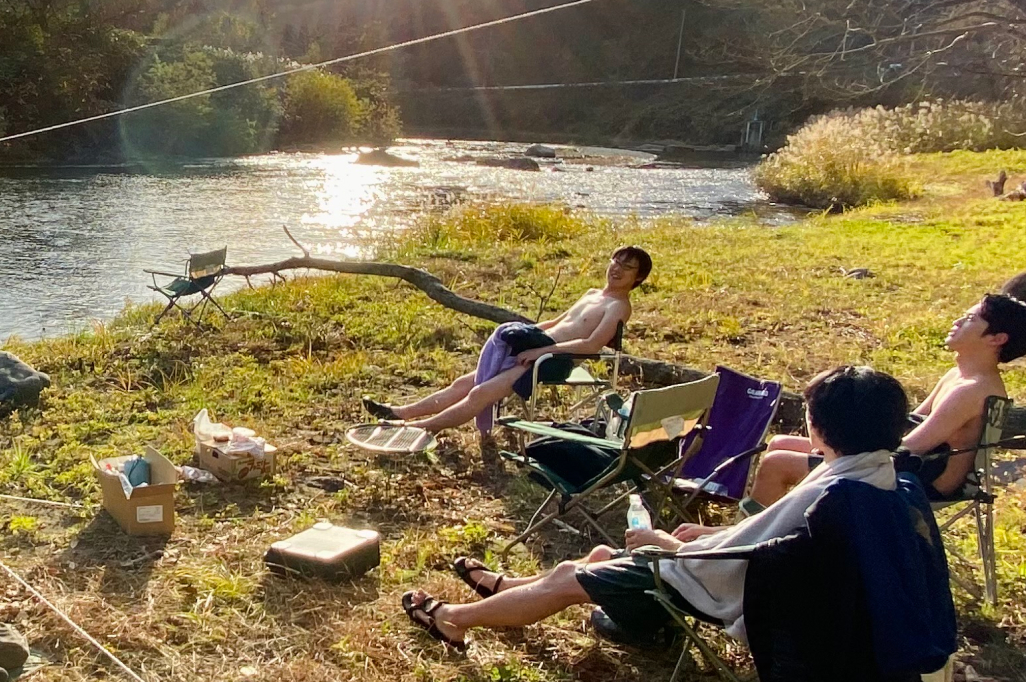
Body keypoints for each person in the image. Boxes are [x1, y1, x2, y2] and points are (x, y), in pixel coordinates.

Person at [399, 365, 910, 652]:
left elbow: (745, 558)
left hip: (741, 594)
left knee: (574, 578)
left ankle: (455, 618)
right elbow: (766, 542)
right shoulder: (876, 474)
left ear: (821, 426)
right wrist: (701, 540)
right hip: (799, 598)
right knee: (598, 554)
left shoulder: (831, 491)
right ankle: (508, 590)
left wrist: (668, 544)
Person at [745, 291, 1026, 507]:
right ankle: (786, 527)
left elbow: (909, 446)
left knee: (778, 462)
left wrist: (842, 450)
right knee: (779, 443)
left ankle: (748, 552)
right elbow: (906, 423)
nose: (957, 321)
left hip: (924, 479)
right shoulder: (960, 375)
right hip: (917, 464)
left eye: (970, 318)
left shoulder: (973, 389)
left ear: (997, 338)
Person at [361, 246, 651, 435]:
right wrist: (522, 333)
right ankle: (399, 413)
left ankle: (420, 428)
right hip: (537, 348)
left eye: (627, 268)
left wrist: (541, 351)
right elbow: (556, 322)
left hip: (552, 360)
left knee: (479, 394)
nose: (617, 269)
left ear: (637, 279)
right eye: (616, 261)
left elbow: (591, 345)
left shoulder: (619, 307)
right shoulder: (592, 294)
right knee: (465, 383)